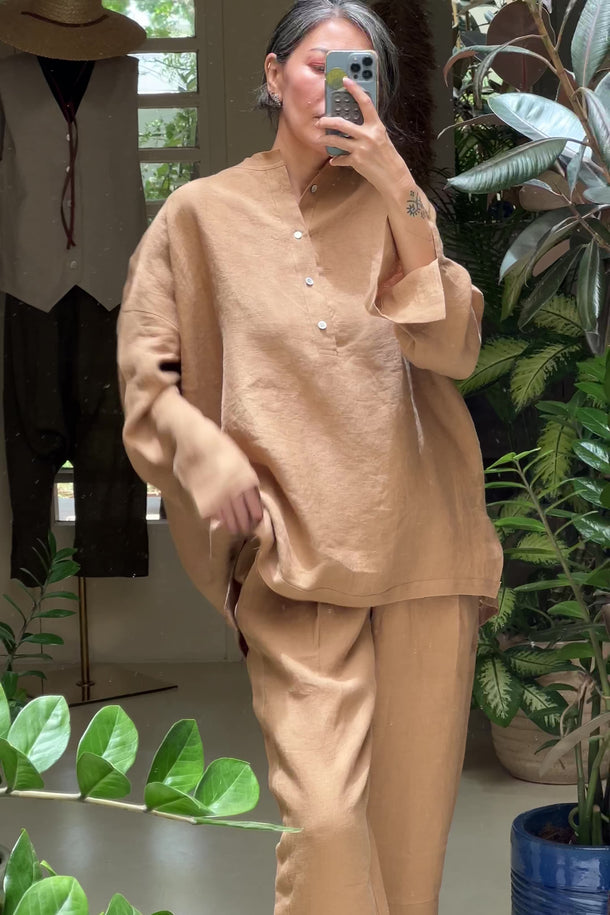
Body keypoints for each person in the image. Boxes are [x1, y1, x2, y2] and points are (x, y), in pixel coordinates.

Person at [117, 1, 503, 912]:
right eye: (319, 65)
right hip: (293, 563)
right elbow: (145, 379)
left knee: (408, 865)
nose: (337, 89)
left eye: (359, 74)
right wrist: (201, 448)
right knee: (326, 832)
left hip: (423, 553)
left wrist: (398, 182)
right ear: (272, 72)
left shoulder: (398, 207)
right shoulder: (200, 216)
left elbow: (455, 347)